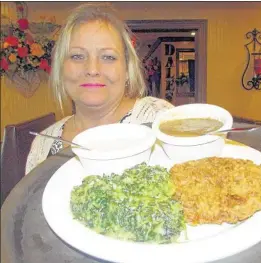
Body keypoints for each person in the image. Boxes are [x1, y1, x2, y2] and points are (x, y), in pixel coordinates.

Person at [25, 3, 173, 175]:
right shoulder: (42, 145)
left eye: (108, 57)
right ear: (61, 68)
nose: (92, 69)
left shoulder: (160, 120)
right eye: (77, 56)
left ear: (127, 69)